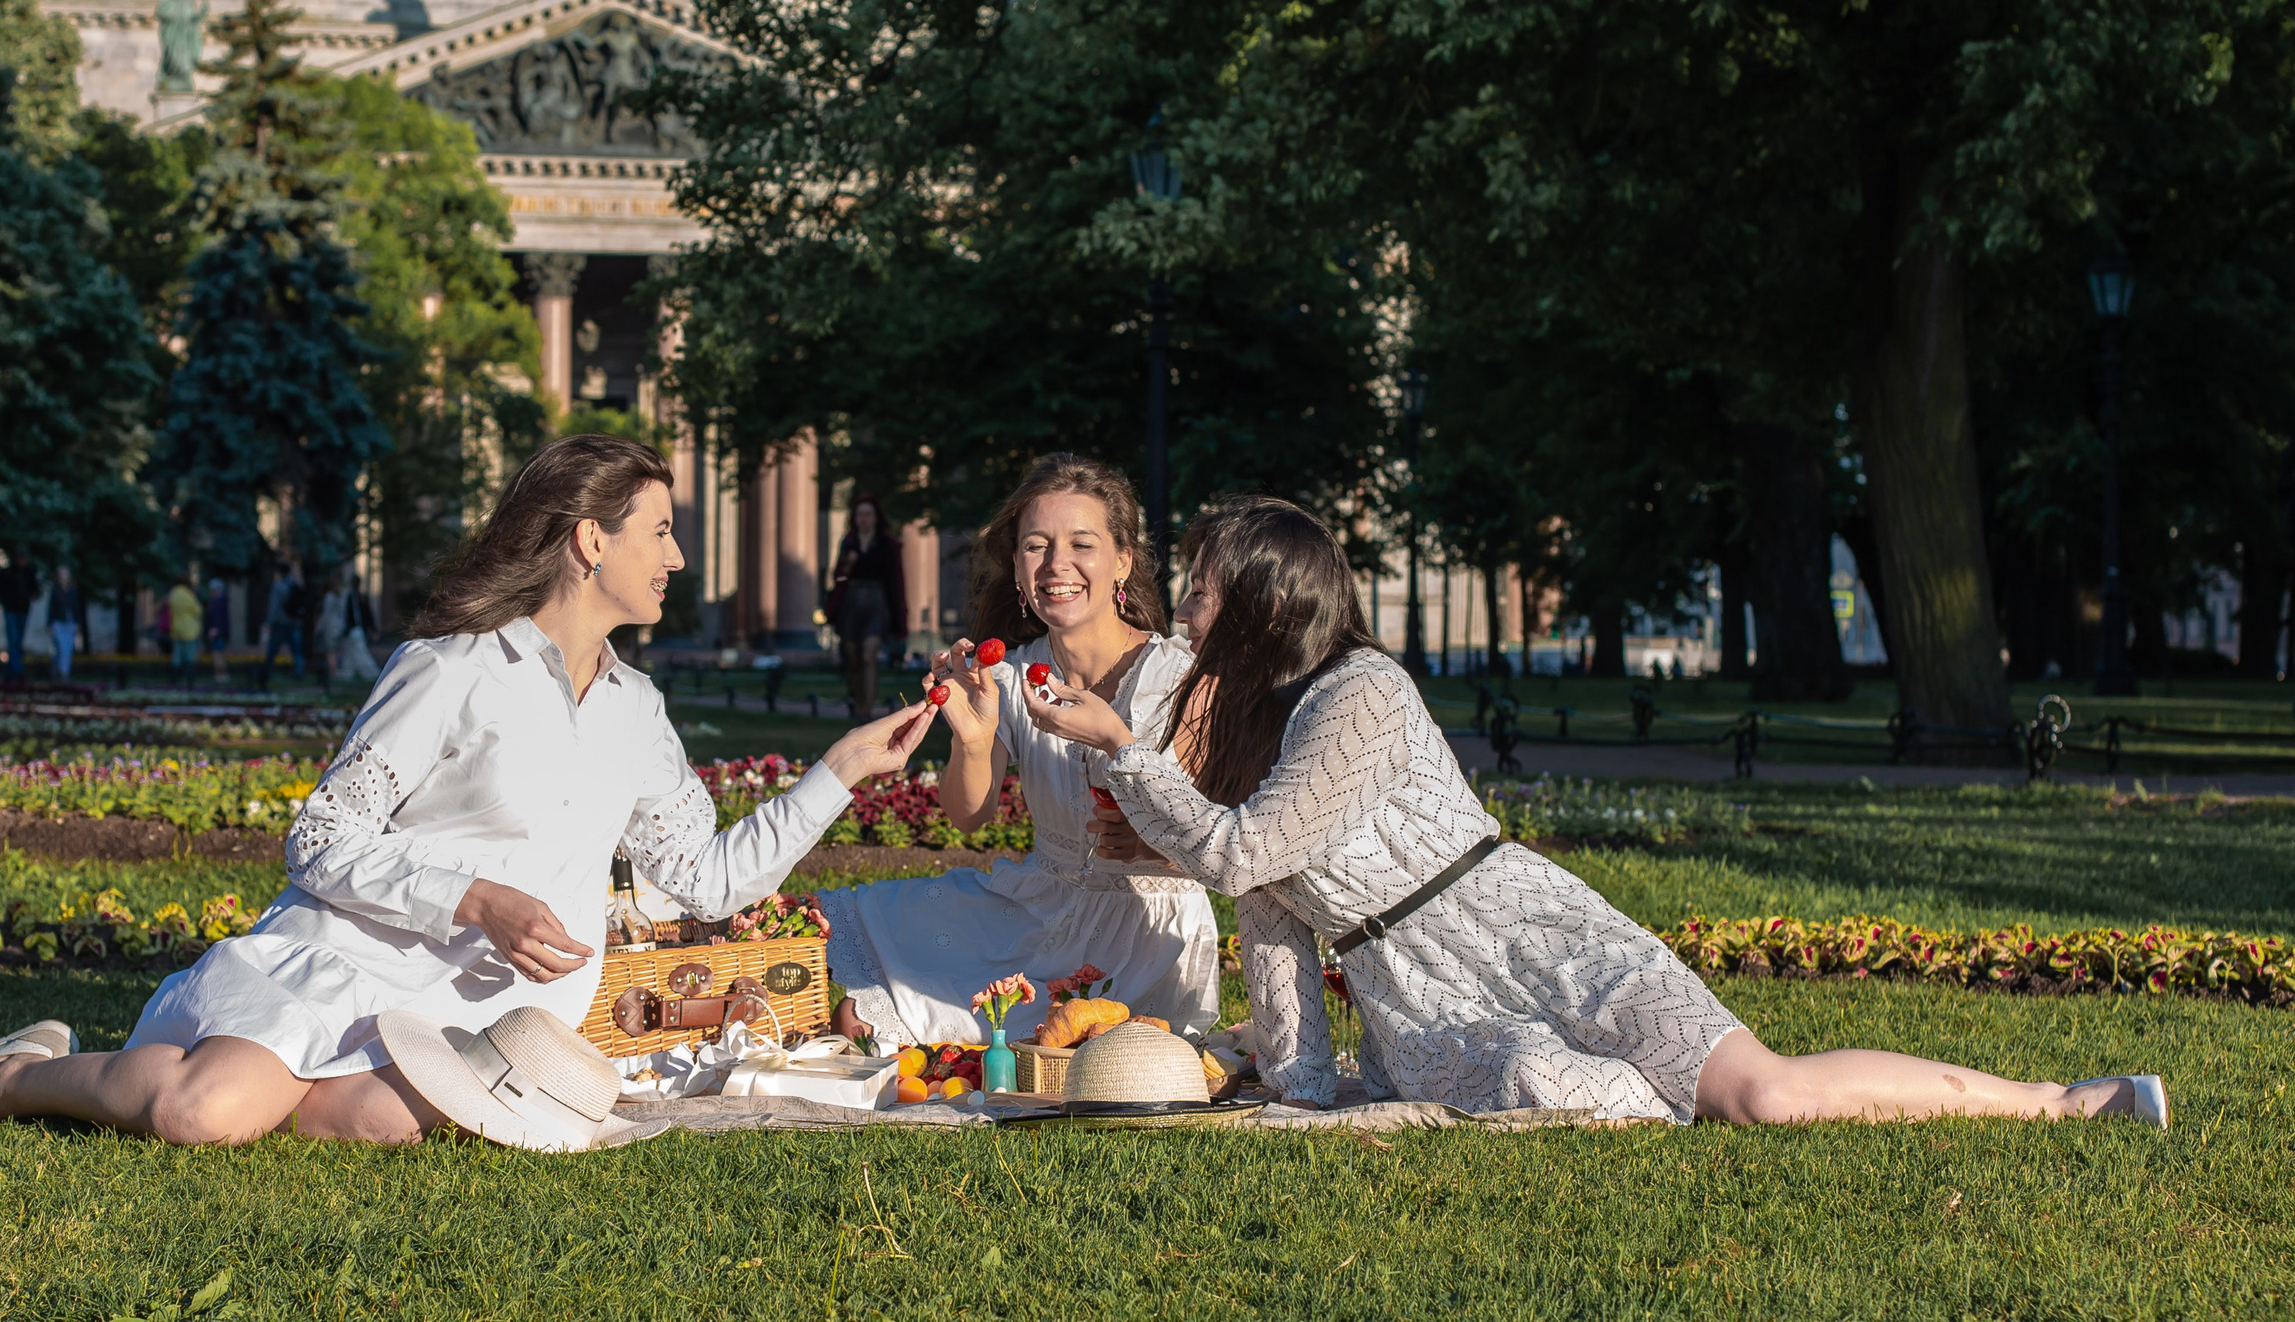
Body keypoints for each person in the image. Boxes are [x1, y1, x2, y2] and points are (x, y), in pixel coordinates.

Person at [0, 433, 943, 1146]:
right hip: (359, 957)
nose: (677, 555)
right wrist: (474, 899)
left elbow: (709, 880)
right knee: (202, 1116)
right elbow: (320, 839)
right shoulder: (450, 666)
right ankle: (6, 1074)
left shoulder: (637, 712)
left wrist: (842, 769)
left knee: (372, 1124)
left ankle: (256, 1082)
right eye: (658, 531)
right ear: (590, 542)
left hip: (487, 1017)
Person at [1056, 497, 2168, 1129]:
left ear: (1261, 601)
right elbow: (1269, 909)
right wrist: (1291, 1091)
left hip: (1537, 938)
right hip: (1418, 998)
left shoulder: (1364, 693)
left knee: (1764, 1098)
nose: (1185, 610)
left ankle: (2051, 1103)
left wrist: (1128, 755)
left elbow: (1243, 849)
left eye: (1201, 587)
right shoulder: (1248, 738)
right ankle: (1643, 1097)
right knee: (1561, 1093)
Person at [818, 454, 1217, 1050]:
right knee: (858, 1016)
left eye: (1082, 544)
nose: (1058, 564)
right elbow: (968, 814)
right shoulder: (1010, 674)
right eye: (1036, 545)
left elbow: (1235, 837)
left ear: (1122, 562)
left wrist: (1153, 847)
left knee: (1080, 1050)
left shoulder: (1182, 678)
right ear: (1017, 568)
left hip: (1147, 931)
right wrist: (972, 741)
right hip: (1036, 909)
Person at [825, 496, 908, 722]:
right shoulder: (848, 542)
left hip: (876, 600)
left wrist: (900, 615)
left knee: (869, 654)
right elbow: (838, 577)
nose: (864, 519)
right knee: (852, 655)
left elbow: (895, 580)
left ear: (876, 517)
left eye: (868, 514)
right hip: (851, 600)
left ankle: (867, 711)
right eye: (860, 514)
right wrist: (847, 565)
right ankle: (859, 701)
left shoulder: (886, 544)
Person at [0, 547, 40, 681]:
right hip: (10, 610)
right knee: (13, 639)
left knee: (17, 641)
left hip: (23, 610)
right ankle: (17, 671)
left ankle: (11, 671)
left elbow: (35, 590)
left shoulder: (29, 572)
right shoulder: (7, 573)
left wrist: (33, 595)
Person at [325, 571, 379, 683]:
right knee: (351, 653)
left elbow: (351, 614)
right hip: (355, 629)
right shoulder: (357, 596)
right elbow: (368, 615)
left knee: (359, 652)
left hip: (354, 628)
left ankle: (369, 673)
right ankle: (347, 673)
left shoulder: (353, 597)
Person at [263, 561, 305, 680]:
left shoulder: (278, 586)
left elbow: (274, 605)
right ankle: (299, 670)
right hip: (294, 621)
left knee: (273, 648)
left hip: (281, 621)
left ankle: (268, 670)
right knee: (296, 649)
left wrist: (270, 621)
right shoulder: (295, 584)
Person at [47, 567, 83, 681]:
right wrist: (50, 624)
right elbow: (51, 608)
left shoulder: (73, 591)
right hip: (58, 622)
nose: (64, 577)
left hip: (70, 622)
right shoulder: (55, 591)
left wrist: (78, 622)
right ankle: (63, 672)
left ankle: (59, 669)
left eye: (66, 575)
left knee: (68, 648)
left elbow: (76, 607)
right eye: (62, 575)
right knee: (62, 647)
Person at [166, 575, 203, 681]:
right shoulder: (188, 594)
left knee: (177, 654)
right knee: (190, 654)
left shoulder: (172, 594)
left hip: (176, 628)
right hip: (190, 629)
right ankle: (189, 678)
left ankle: (174, 677)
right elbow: (197, 611)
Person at [203, 577, 233, 683]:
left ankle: (221, 676)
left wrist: (214, 629)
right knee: (218, 653)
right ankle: (221, 675)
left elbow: (218, 618)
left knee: (217, 654)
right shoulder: (219, 601)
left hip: (217, 632)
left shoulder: (219, 602)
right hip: (218, 631)